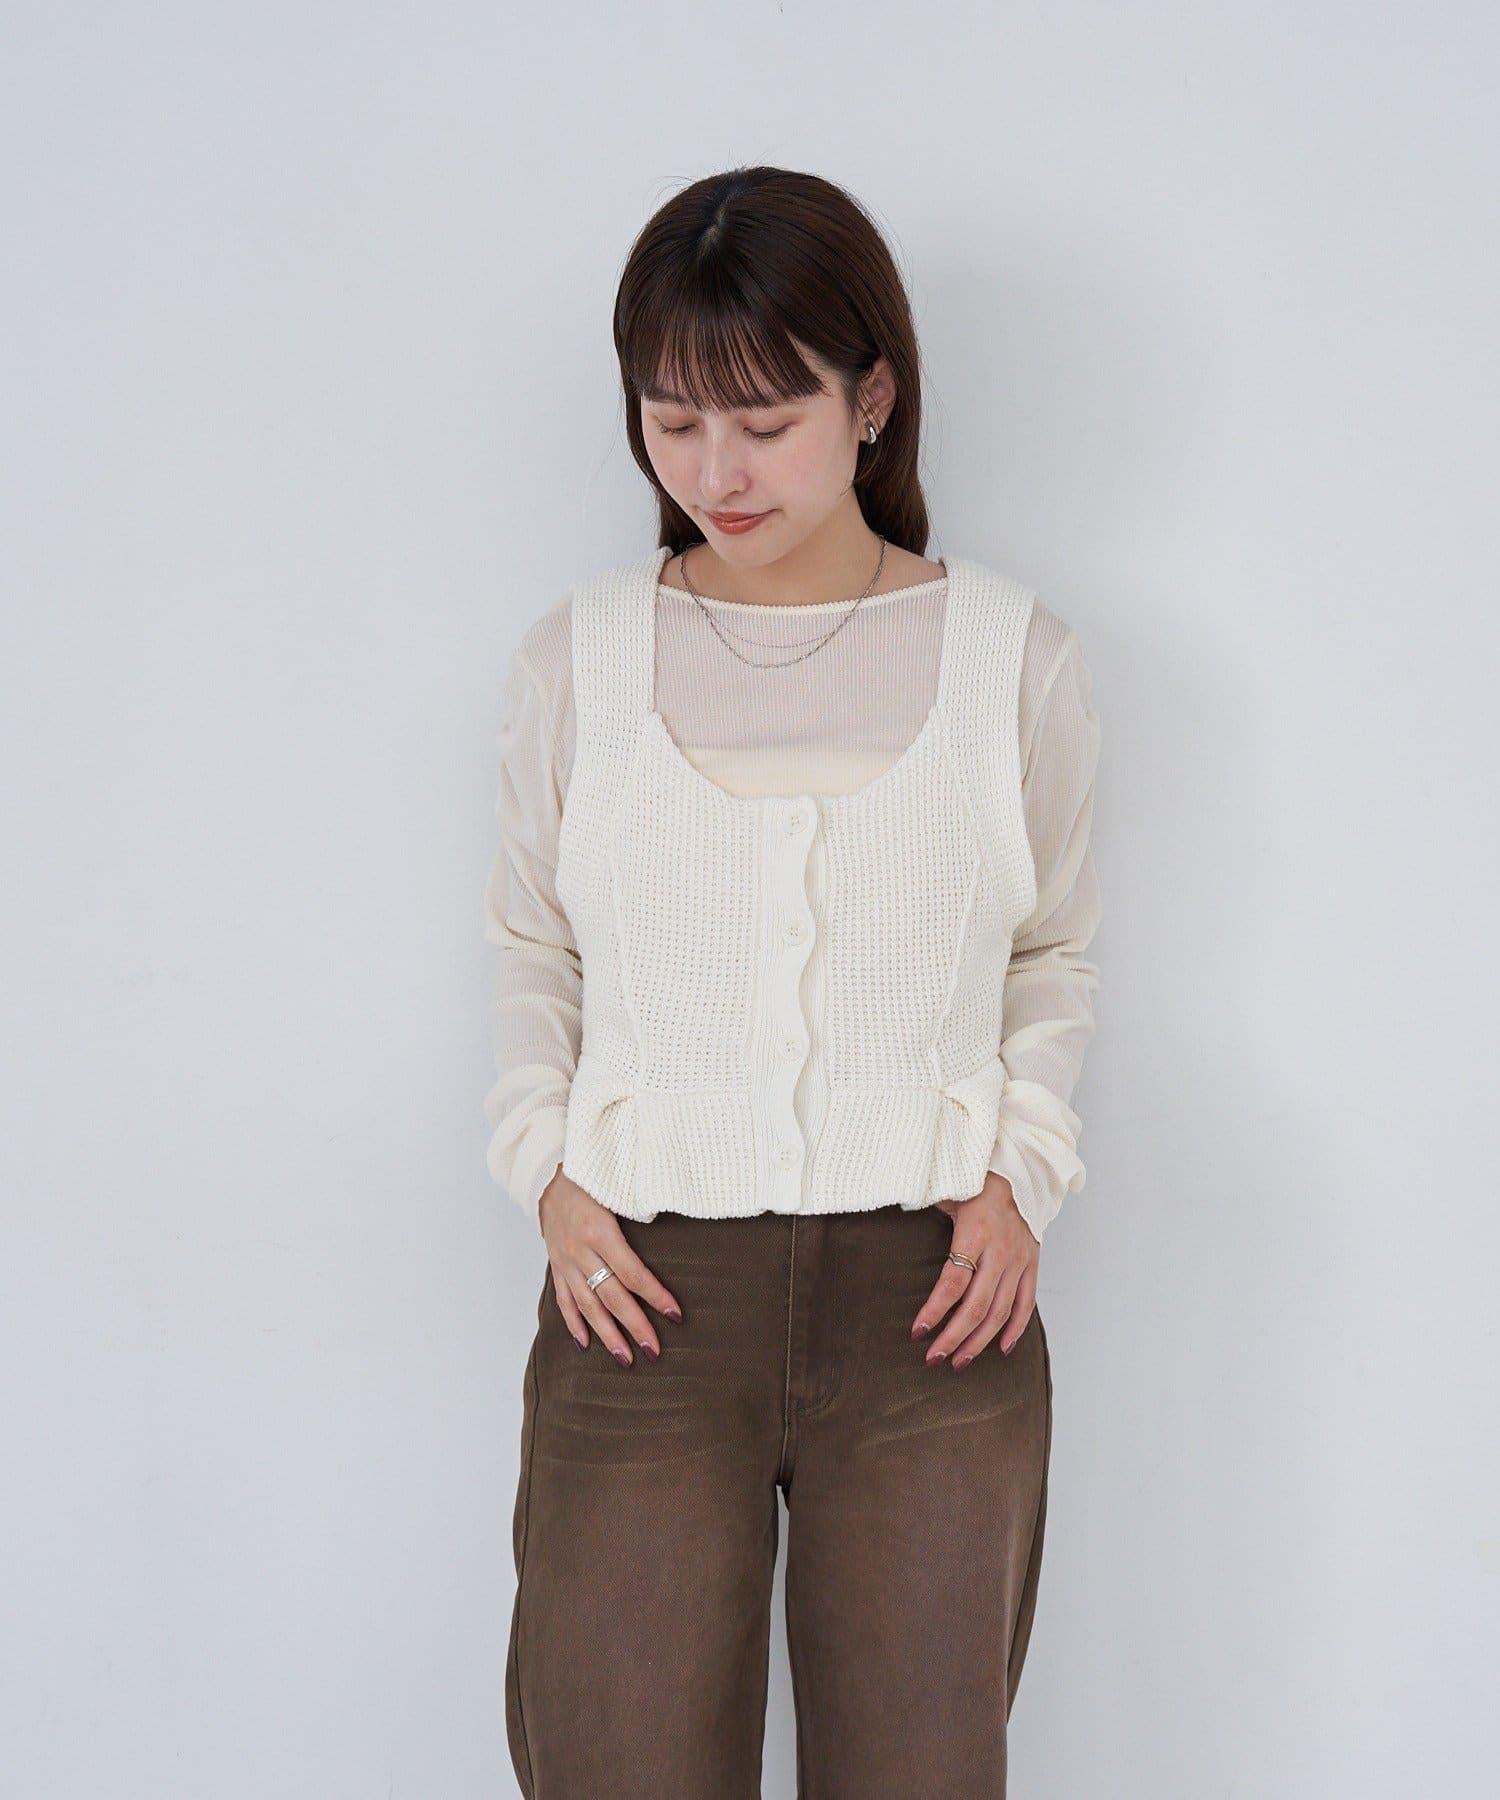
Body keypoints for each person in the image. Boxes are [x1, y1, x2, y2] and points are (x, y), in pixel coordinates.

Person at [482, 165, 1102, 1798]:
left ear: (871, 399)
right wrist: (546, 1175)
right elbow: (532, 946)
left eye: (764, 421)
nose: (715, 472)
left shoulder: (1012, 659)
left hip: (934, 1301)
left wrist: (1022, 1173)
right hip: (643, 1293)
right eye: (673, 422)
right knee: (614, 1761)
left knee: (920, 1768)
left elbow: (1053, 948)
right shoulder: (581, 660)